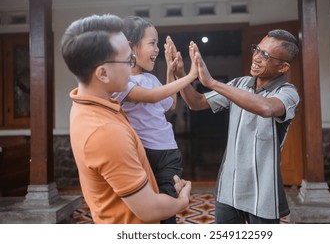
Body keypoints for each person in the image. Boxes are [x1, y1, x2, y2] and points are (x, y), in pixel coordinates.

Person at [61, 13, 191, 224]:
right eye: (128, 60)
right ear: (103, 74)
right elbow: (150, 210)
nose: (132, 67)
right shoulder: (105, 132)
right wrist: (183, 201)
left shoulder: (84, 103)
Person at [175, 29, 300, 224]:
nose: (256, 58)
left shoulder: (288, 92)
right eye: (257, 50)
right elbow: (197, 102)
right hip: (228, 189)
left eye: (265, 55)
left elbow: (266, 108)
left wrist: (212, 83)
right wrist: (181, 74)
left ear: (283, 67)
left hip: (262, 194)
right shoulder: (239, 84)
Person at [112, 16, 197, 224]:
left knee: (167, 206)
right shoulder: (124, 82)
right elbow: (152, 96)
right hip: (142, 153)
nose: (157, 49)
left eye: (157, 43)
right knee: (148, 207)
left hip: (168, 153)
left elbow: (170, 103)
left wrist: (170, 70)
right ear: (131, 47)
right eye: (152, 43)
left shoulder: (150, 79)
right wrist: (190, 76)